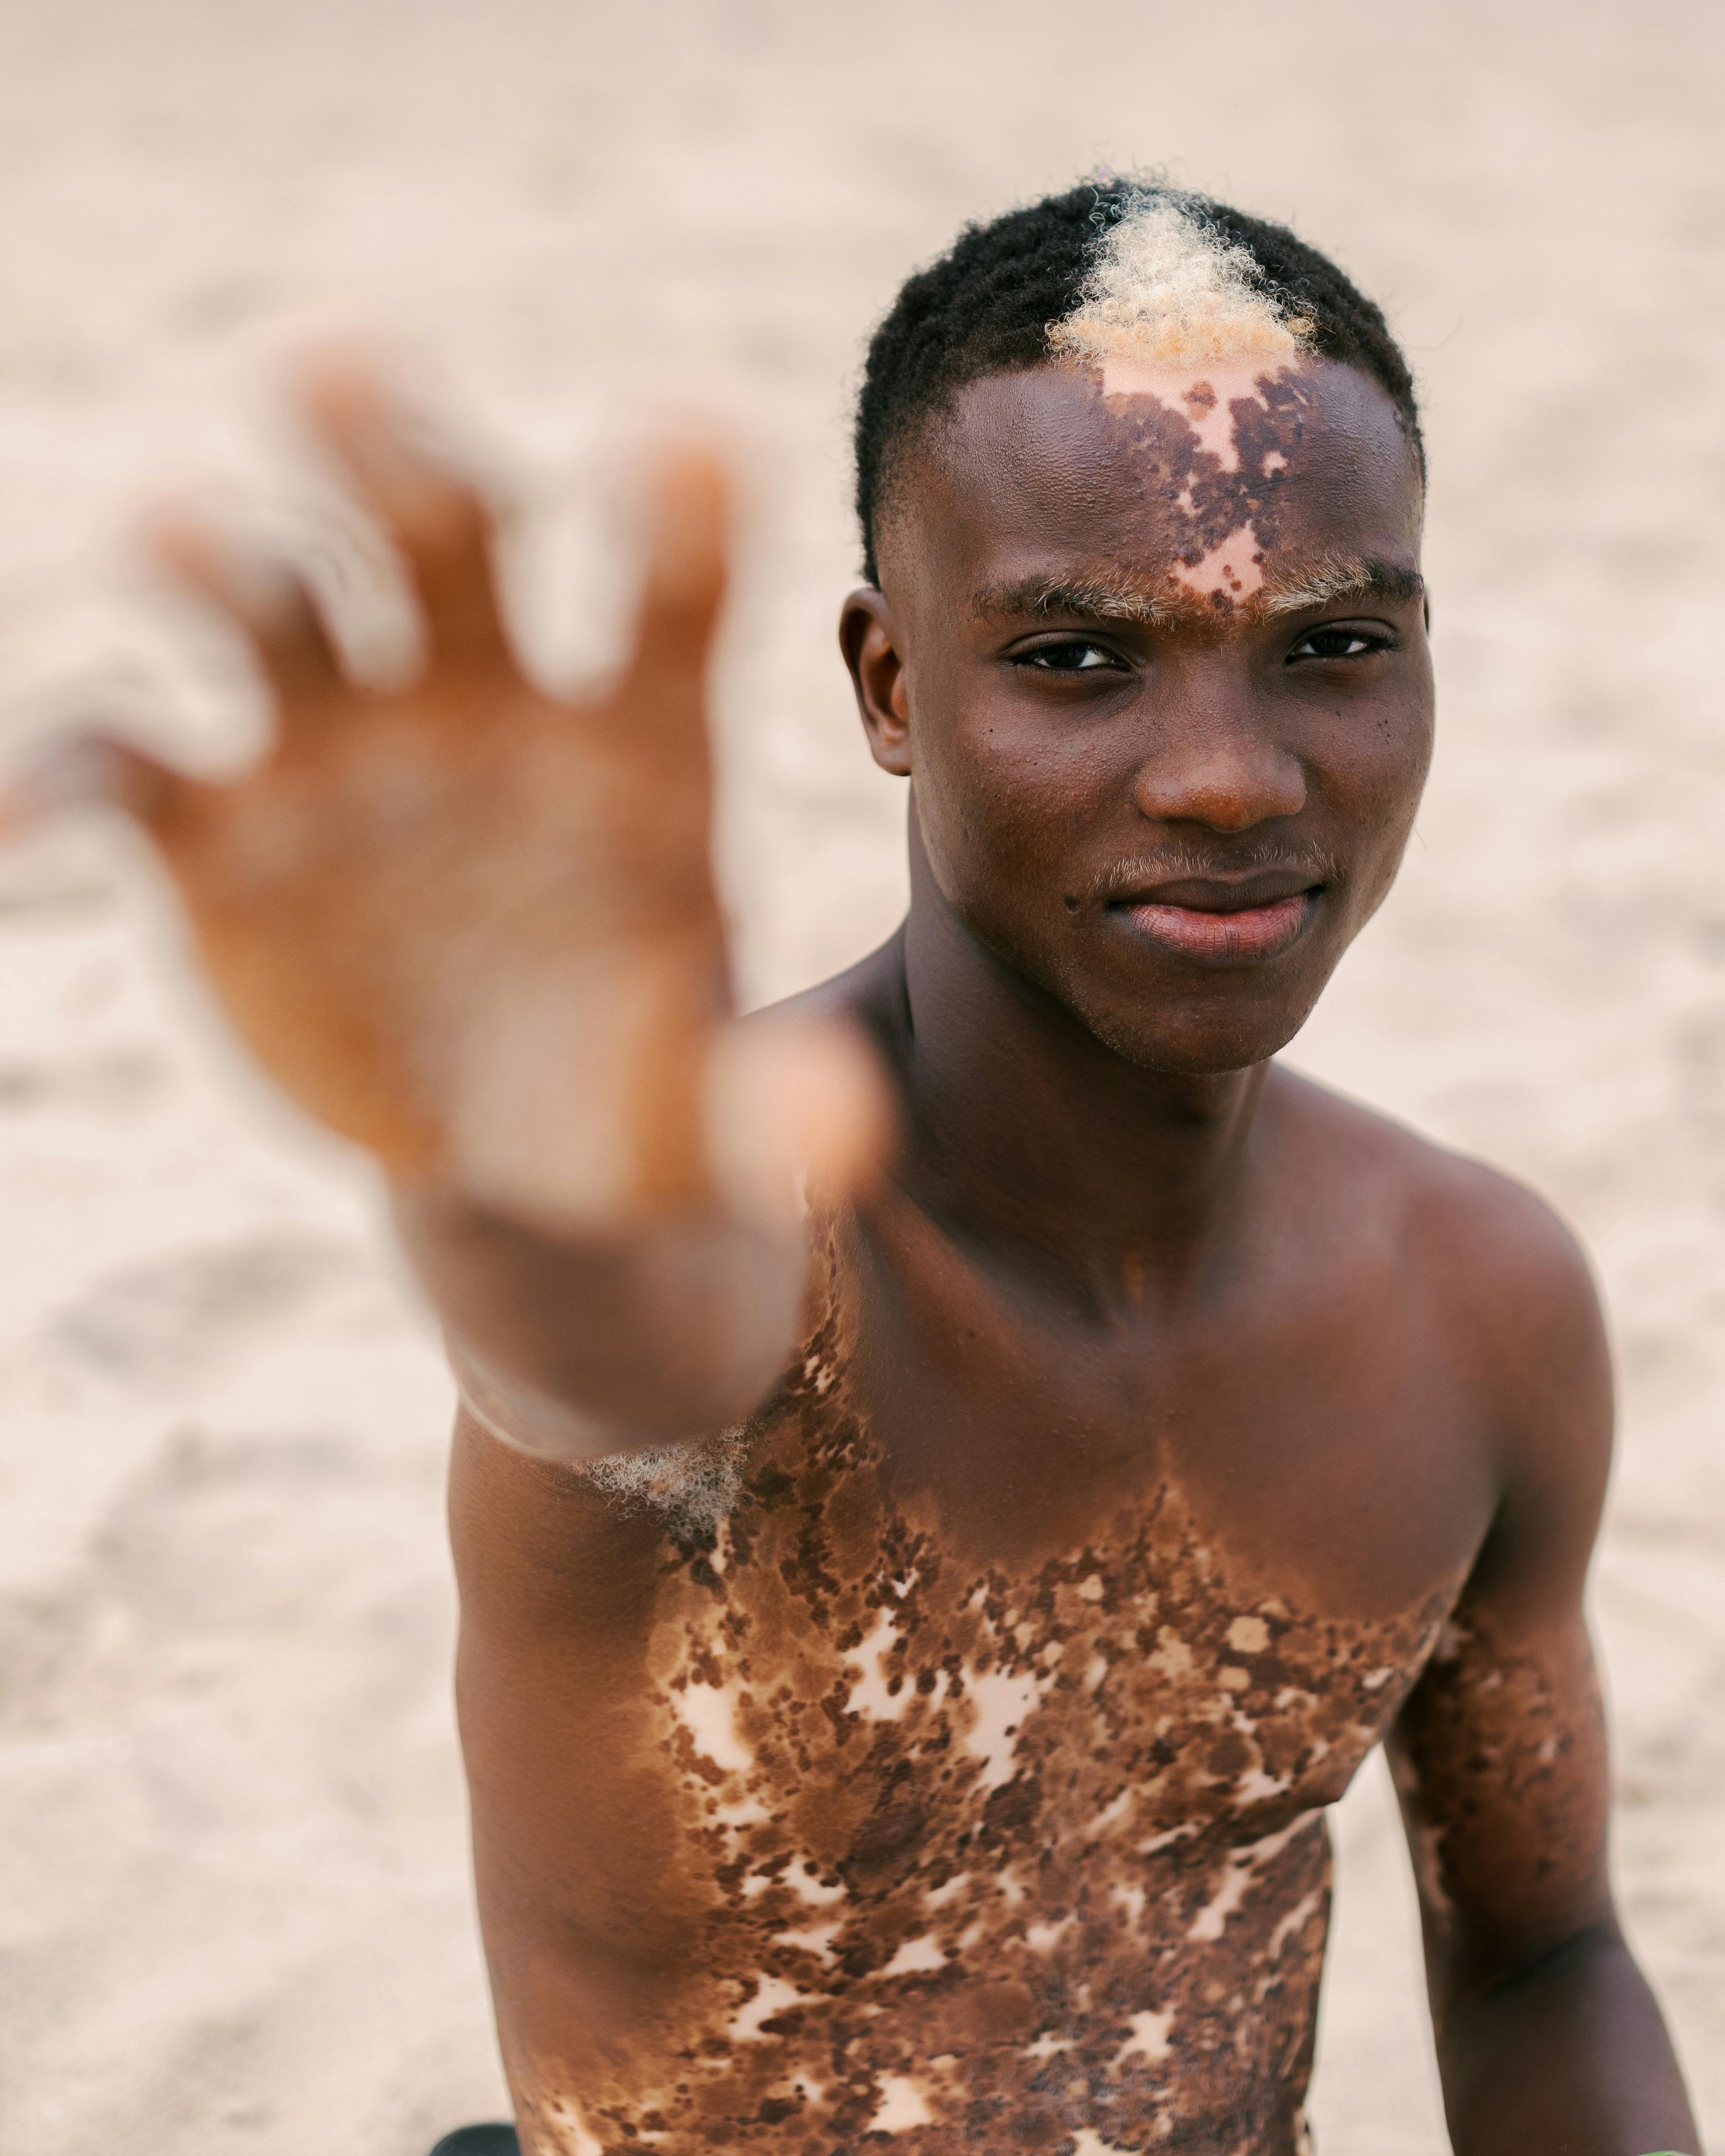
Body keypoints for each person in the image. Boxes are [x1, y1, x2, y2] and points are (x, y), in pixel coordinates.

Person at [10, 179, 1698, 2156]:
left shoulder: (1483, 1300)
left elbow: (1542, 1953)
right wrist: (503, 1165)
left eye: (1334, 642)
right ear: (893, 688)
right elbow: (603, 1338)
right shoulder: (743, 1230)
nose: (1231, 773)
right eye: (1078, 658)